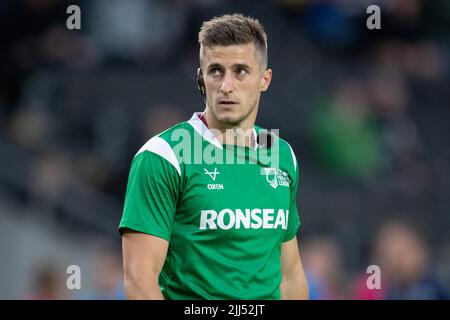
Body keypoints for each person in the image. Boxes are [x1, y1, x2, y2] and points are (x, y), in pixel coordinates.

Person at [119, 14, 309, 300]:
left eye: (241, 71)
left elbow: (290, 273)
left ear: (264, 79)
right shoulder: (164, 156)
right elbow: (140, 280)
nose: (226, 86)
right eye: (216, 71)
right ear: (201, 78)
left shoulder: (281, 155)